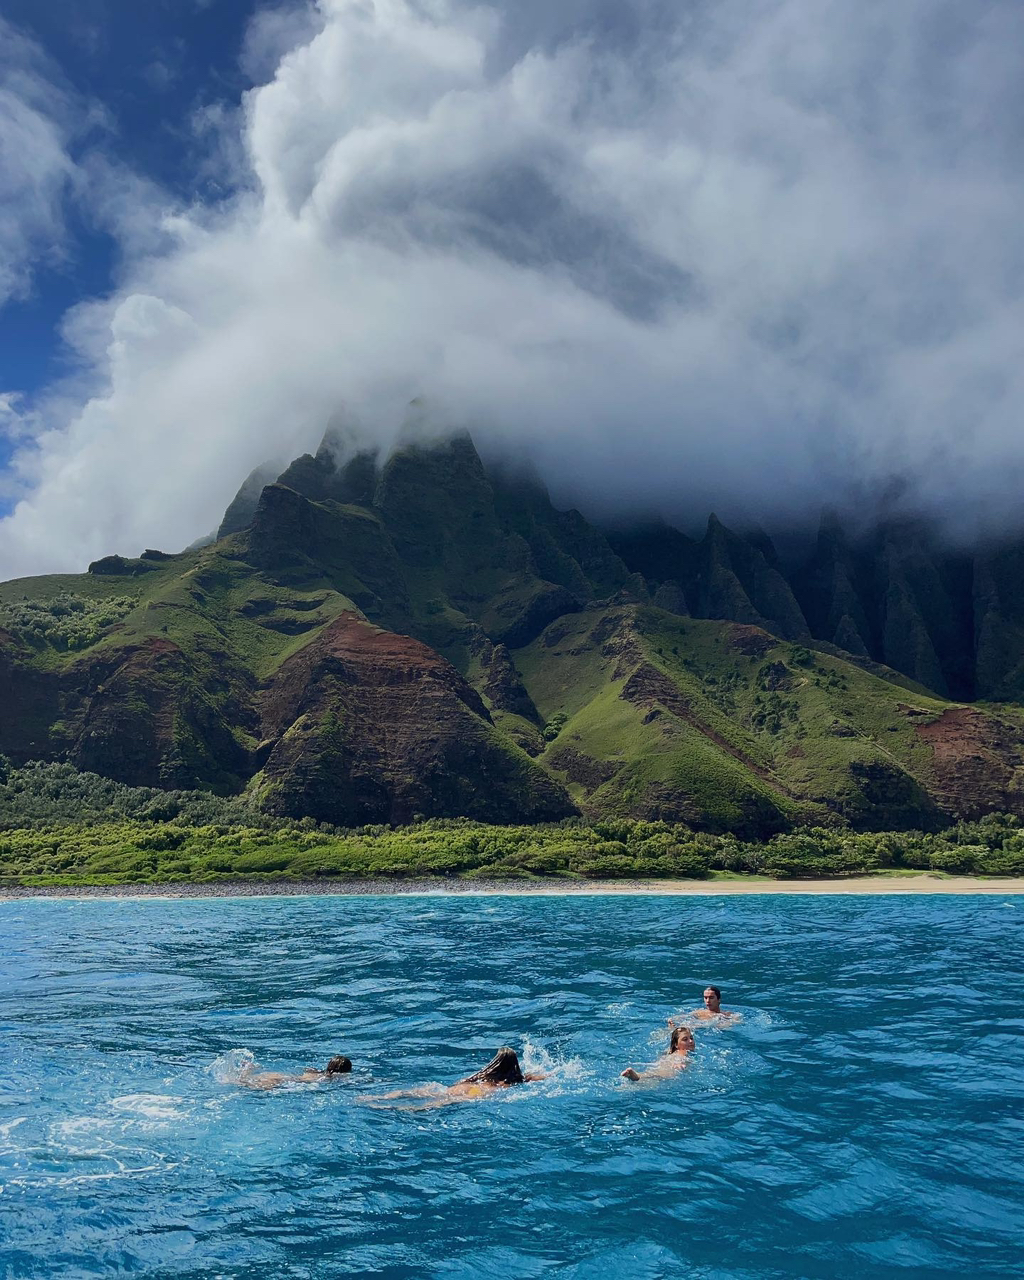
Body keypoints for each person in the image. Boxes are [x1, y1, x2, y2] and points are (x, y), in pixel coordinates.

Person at [362, 1047, 546, 1107]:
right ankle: (387, 1107)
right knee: (433, 1106)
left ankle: (377, 1098)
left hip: (451, 1088)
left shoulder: (479, 1075)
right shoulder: (512, 1082)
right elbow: (539, 1077)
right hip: (473, 1094)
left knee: (414, 1093)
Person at [621, 1025, 695, 1081]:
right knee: (660, 1076)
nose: (691, 1041)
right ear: (676, 1044)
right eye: (685, 1039)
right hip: (672, 1065)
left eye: (691, 1038)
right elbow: (682, 1055)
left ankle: (637, 1075)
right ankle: (637, 1077)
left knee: (654, 1073)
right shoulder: (683, 1051)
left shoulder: (670, 1051)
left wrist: (672, 1030)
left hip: (664, 1061)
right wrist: (679, 1062)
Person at [238, 1054, 352, 1090]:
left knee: (244, 1081)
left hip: (284, 1076)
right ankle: (247, 1070)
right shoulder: (333, 1076)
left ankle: (248, 1069)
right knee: (243, 1083)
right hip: (284, 1080)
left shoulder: (316, 1072)